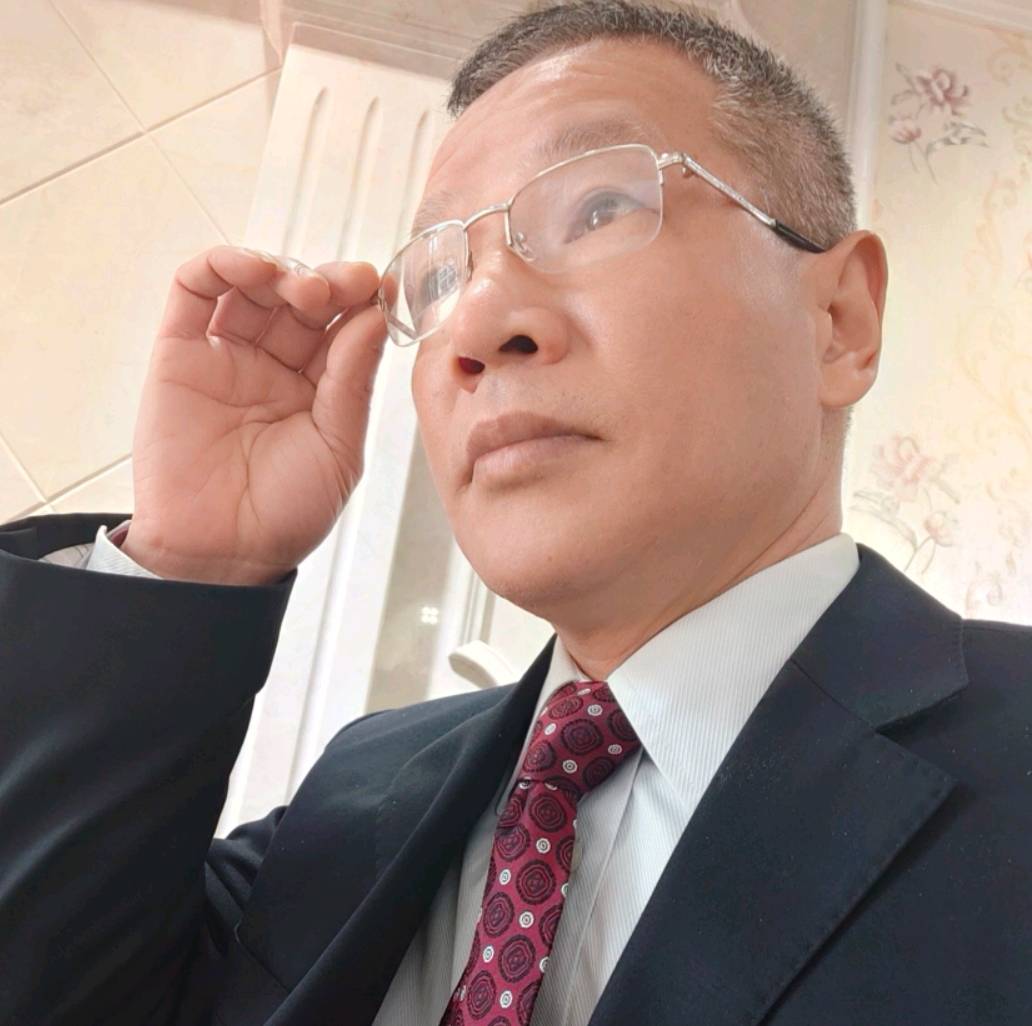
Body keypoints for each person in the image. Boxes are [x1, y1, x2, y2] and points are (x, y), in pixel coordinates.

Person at [1, 1, 1029, 1024]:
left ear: (839, 320)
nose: (477, 323)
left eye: (598, 208)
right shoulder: (357, 789)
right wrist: (192, 560)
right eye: (441, 272)